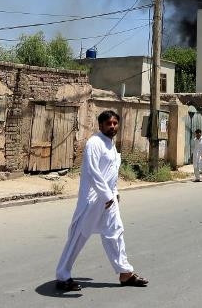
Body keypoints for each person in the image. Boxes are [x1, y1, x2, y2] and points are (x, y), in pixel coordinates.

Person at [55, 110, 148, 292]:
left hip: (109, 198)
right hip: (93, 199)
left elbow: (111, 172)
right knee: (79, 235)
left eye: (115, 123)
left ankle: (125, 273)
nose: (112, 126)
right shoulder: (94, 143)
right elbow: (92, 172)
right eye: (108, 124)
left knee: (115, 232)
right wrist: (106, 195)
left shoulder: (110, 144)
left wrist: (115, 192)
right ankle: (62, 276)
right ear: (101, 125)